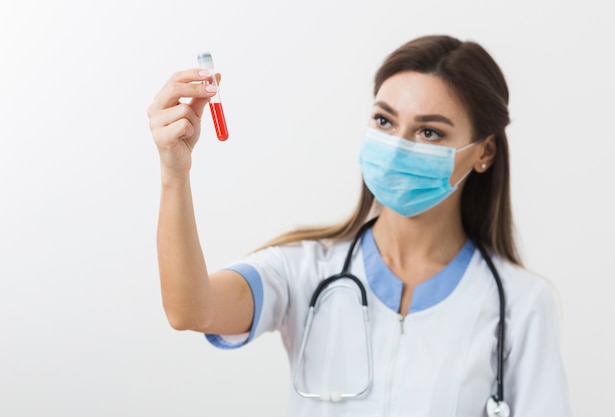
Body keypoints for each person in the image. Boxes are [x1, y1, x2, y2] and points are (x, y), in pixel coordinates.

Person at [147, 35, 574, 416]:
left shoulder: (520, 304)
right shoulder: (306, 270)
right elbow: (190, 309)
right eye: (385, 121)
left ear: (484, 152)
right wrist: (174, 173)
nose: (397, 147)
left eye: (429, 133)